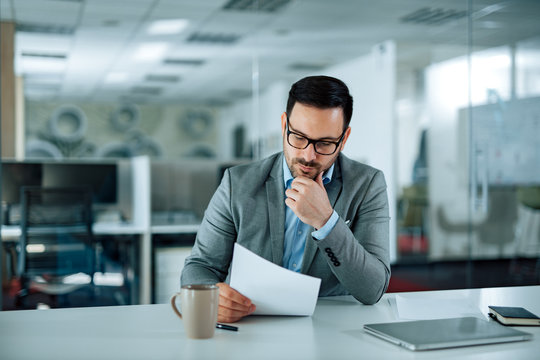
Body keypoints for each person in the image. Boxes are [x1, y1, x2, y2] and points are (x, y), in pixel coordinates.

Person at [181, 75, 390, 323]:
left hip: (329, 330)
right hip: (251, 325)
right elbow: (199, 267)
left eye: (324, 143)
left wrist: (326, 221)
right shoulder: (237, 183)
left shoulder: (367, 185)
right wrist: (212, 294)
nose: (308, 155)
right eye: (298, 137)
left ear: (343, 139)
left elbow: (373, 289)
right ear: (284, 125)